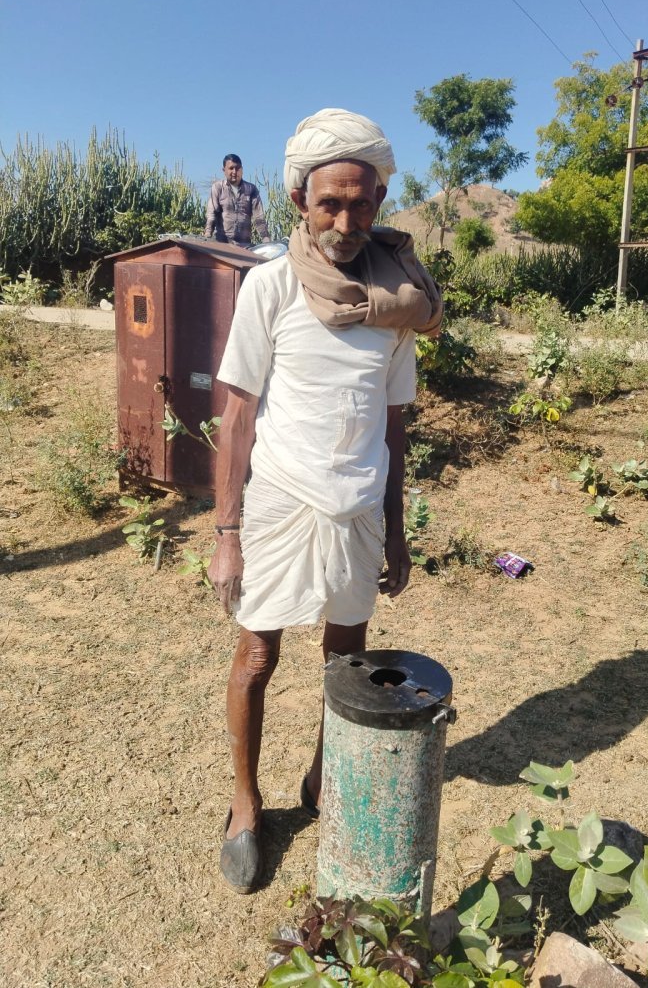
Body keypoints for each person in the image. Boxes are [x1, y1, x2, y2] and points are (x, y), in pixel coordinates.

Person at [208, 108, 442, 894]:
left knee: (345, 664)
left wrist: (397, 531)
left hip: (357, 510)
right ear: (302, 201)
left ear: (379, 201)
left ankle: (321, 779)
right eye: (329, 204)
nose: (346, 221)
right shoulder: (269, 285)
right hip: (277, 502)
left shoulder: (398, 300)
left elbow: (394, 425)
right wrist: (227, 531)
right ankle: (246, 807)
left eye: (362, 203)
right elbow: (237, 411)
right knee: (256, 656)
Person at [204, 153, 271, 244]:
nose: (234, 172)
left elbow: (258, 217)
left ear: (242, 170)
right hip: (222, 243)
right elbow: (212, 214)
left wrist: (266, 238)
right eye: (231, 168)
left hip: (244, 245)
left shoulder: (251, 189)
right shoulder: (218, 187)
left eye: (237, 168)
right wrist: (208, 234)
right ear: (224, 170)